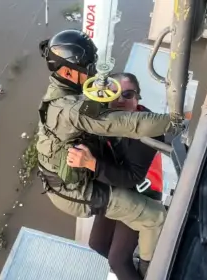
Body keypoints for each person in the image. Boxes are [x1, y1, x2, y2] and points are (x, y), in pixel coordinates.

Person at [36, 29, 174, 276]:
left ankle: (142, 262)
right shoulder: (73, 110)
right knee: (155, 218)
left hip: (84, 179)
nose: (91, 73)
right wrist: (177, 121)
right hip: (75, 189)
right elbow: (128, 123)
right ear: (67, 72)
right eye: (87, 67)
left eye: (128, 95)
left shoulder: (60, 93)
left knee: (115, 245)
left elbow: (131, 174)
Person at [67, 72, 164, 280]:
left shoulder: (149, 130)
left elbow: (132, 177)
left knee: (118, 260)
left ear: (138, 99)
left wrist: (90, 163)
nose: (120, 100)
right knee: (97, 244)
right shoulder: (102, 121)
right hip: (114, 186)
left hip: (141, 193)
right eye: (114, 94)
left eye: (127, 94)